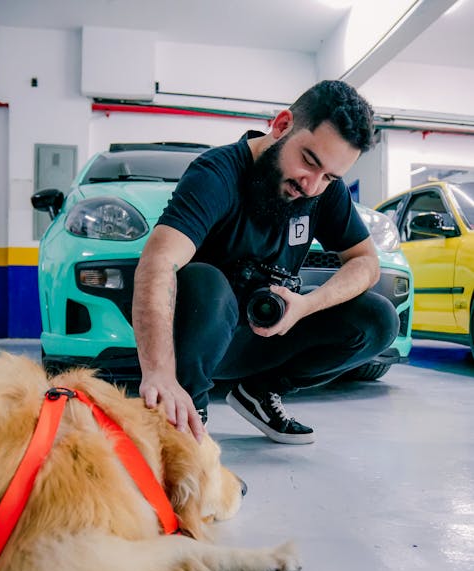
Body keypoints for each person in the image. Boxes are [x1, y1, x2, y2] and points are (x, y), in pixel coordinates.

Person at [132, 80, 399, 445]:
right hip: (203, 337)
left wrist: (306, 305)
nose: (312, 186)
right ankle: (188, 424)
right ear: (282, 125)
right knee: (205, 282)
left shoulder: (322, 189)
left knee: (378, 319)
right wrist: (158, 372)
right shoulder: (217, 173)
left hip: (266, 334)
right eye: (309, 161)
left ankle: (259, 390)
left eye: (331, 177)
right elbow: (157, 262)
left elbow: (366, 262)